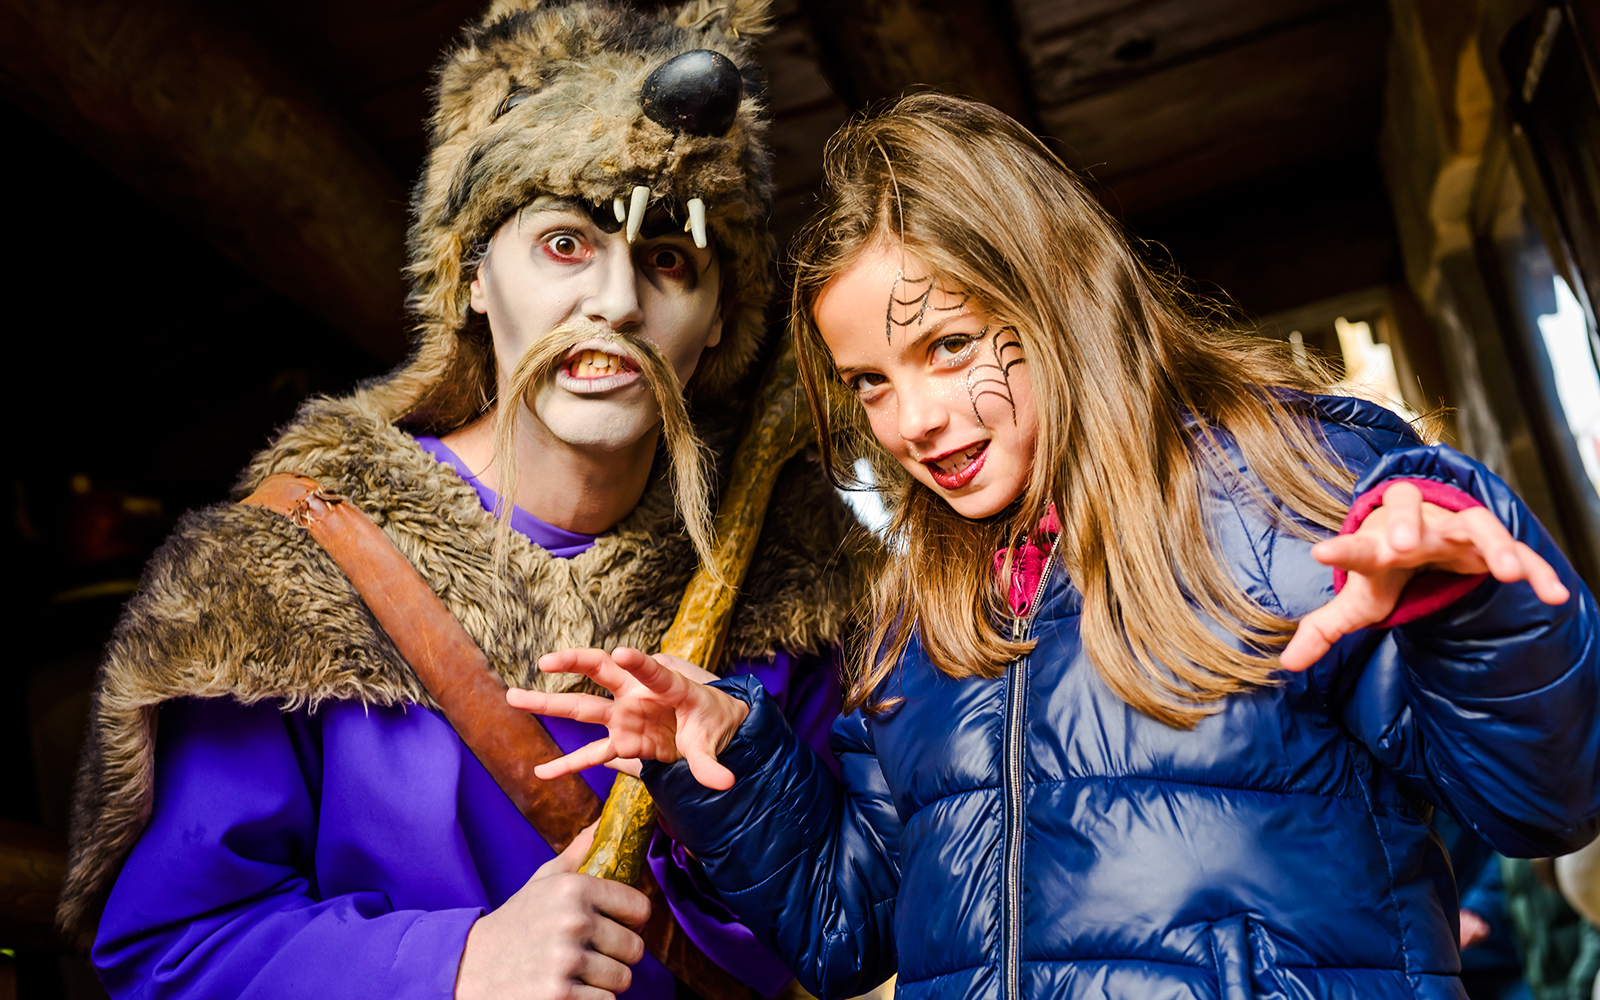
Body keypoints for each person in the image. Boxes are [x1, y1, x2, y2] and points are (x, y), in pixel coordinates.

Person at [513, 93, 1600, 1000]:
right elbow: (848, 928)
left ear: (1059, 298)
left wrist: (1471, 610)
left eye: (947, 347)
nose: (915, 421)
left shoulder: (1290, 492)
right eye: (871, 384)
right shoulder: (918, 610)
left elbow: (1544, 801)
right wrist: (728, 760)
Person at [57, 2, 869, 998]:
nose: (615, 303)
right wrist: (453, 965)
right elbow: (170, 949)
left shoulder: (794, 603)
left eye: (669, 259)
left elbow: (846, 929)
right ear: (475, 280)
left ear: (715, 327)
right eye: (564, 244)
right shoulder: (287, 574)